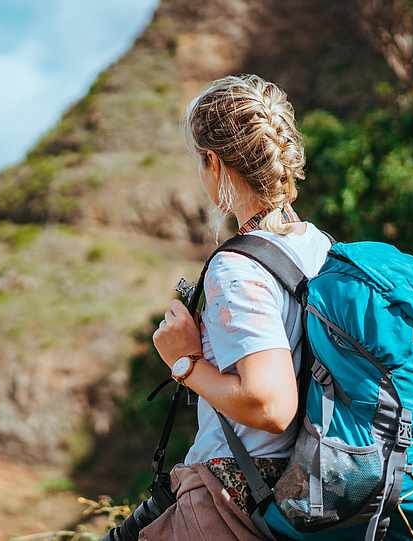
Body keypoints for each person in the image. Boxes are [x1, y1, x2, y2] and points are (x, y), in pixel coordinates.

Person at [143, 73, 333, 540]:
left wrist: (184, 362)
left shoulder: (237, 267)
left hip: (234, 502)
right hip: (314, 491)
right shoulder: (323, 249)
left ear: (213, 162)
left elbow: (270, 405)